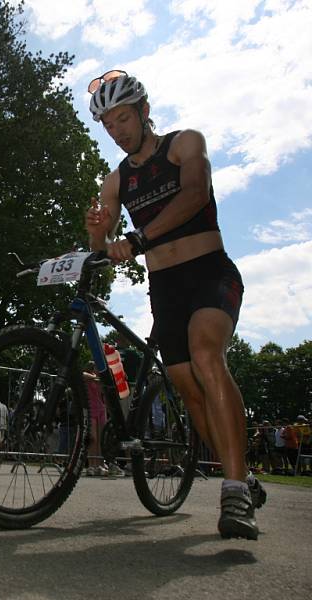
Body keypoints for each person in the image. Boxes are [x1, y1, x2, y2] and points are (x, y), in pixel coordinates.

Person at [84, 70, 265, 539]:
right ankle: (241, 475)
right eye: (108, 124)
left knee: (207, 354)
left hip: (210, 273)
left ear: (144, 111)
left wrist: (138, 237)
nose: (118, 130)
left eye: (123, 117)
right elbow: (102, 242)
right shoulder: (116, 179)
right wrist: (96, 229)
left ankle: (232, 493)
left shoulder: (185, 143)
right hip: (164, 288)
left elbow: (195, 193)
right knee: (187, 387)